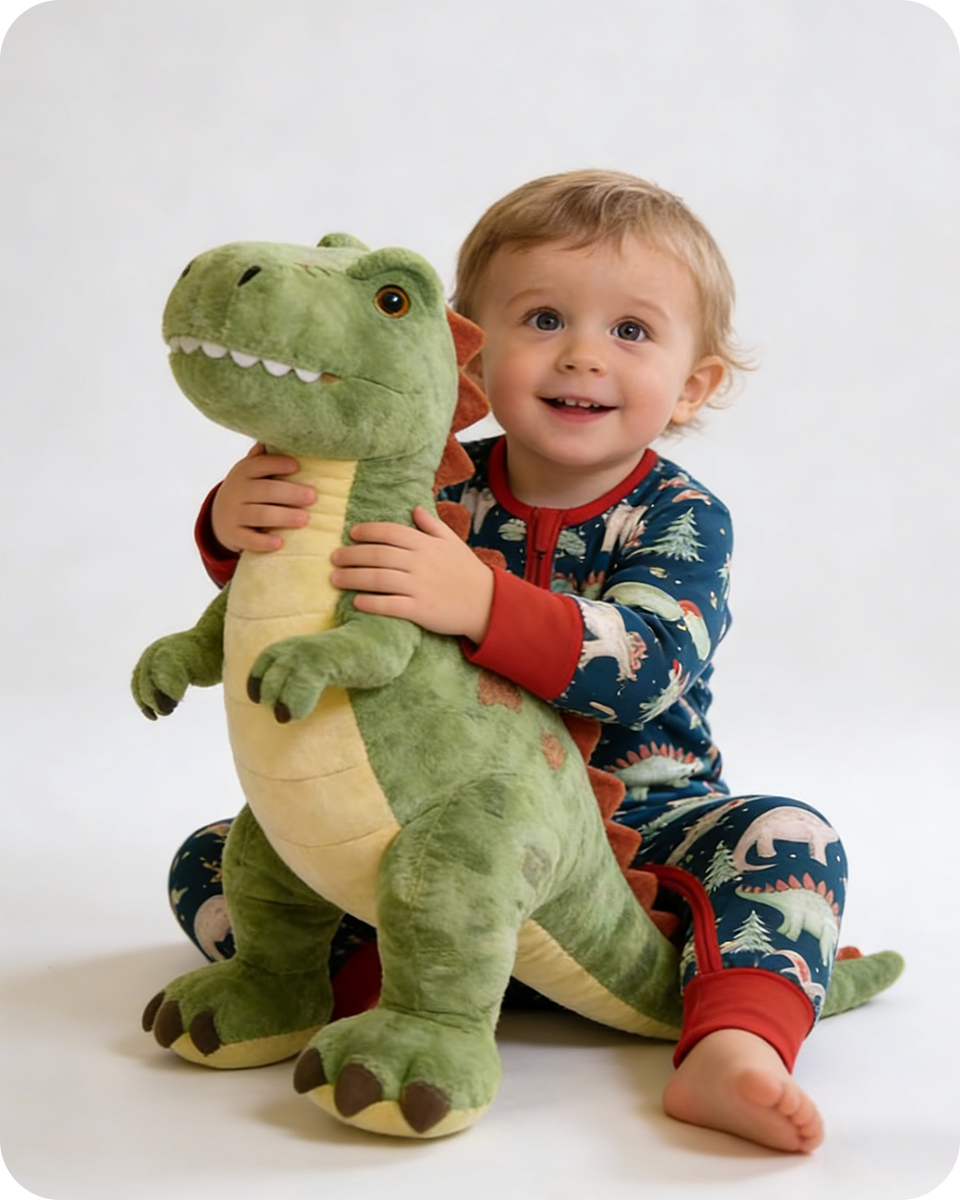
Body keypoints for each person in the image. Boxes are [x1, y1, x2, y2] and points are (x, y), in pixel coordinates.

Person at [177, 170, 844, 1153]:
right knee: (215, 858)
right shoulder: (426, 481)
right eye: (543, 318)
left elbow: (650, 666)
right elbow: (309, 584)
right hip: (434, 828)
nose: (583, 354)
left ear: (694, 384)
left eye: (631, 330)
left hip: (640, 825)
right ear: (469, 349)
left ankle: (734, 1040)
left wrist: (484, 603)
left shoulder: (681, 517)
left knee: (790, 840)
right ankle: (407, 977)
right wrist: (235, 525)